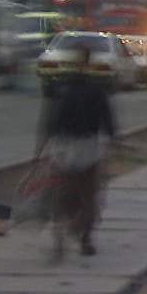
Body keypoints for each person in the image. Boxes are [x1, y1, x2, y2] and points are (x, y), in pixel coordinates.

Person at [36, 43, 118, 259]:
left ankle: (59, 238)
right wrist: (112, 140)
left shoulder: (60, 89)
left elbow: (48, 121)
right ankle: (85, 240)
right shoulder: (96, 90)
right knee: (89, 194)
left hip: (62, 146)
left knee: (61, 194)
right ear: (89, 62)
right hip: (88, 146)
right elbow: (108, 122)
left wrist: (39, 151)